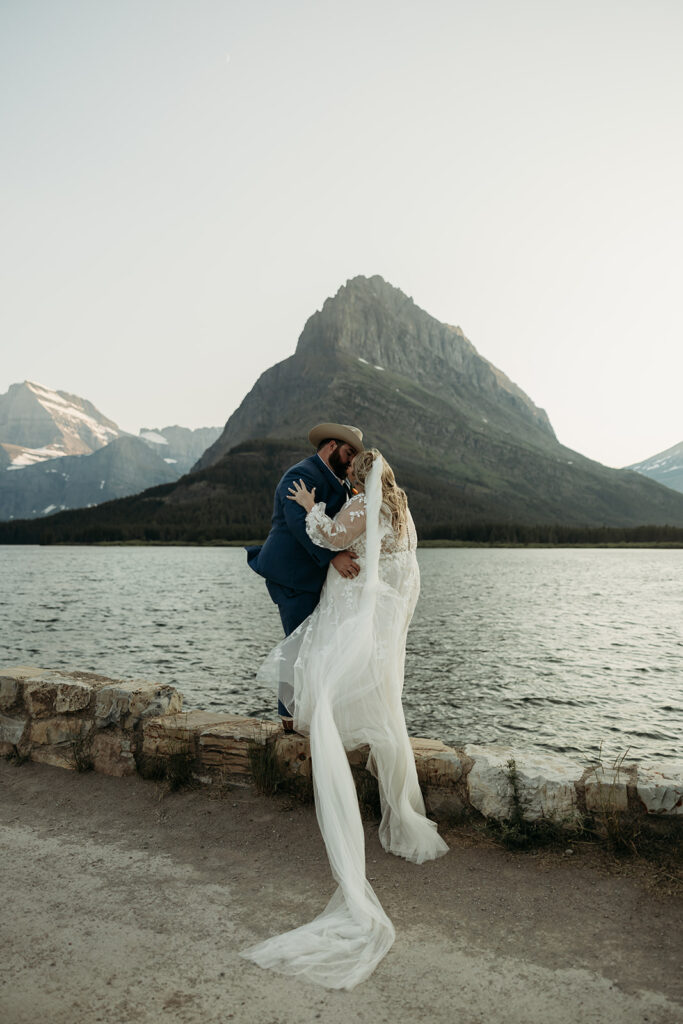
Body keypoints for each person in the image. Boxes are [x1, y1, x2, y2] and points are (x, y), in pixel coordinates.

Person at [241, 448, 448, 990]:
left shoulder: (359, 505)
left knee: (319, 676)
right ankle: (403, 813)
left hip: (356, 606)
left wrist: (311, 505)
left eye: (352, 474)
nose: (348, 478)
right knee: (382, 701)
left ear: (358, 478)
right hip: (380, 612)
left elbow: (332, 538)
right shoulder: (400, 511)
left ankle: (313, 729)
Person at [246, 423, 364, 729]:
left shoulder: (340, 481)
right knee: (296, 645)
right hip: (291, 575)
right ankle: (288, 717)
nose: (351, 461)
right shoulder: (302, 474)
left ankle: (306, 712)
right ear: (331, 446)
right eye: (348, 453)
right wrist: (333, 557)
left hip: (312, 576)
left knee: (311, 645)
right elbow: (299, 524)